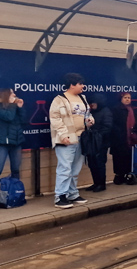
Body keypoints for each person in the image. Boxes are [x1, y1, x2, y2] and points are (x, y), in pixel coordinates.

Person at [49, 73, 94, 209]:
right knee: (65, 167)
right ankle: (60, 196)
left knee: (75, 168)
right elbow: (55, 118)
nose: (83, 86)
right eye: (80, 83)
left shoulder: (83, 98)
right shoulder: (59, 100)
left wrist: (90, 120)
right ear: (71, 84)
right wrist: (63, 135)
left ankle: (72, 193)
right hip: (66, 139)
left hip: (81, 137)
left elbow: (87, 114)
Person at [0, 88, 25, 209]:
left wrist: (20, 107)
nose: (15, 95)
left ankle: (15, 195)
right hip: (2, 142)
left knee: (15, 169)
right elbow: (8, 117)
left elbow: (23, 120)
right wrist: (14, 106)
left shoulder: (14, 107)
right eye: (12, 93)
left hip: (16, 142)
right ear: (6, 95)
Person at [86, 94, 112, 192]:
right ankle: (96, 183)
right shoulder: (91, 112)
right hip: (91, 141)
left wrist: (98, 135)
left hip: (101, 142)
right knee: (92, 163)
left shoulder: (105, 112)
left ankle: (101, 184)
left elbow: (108, 127)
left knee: (99, 163)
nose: (92, 105)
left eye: (94, 103)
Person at [111, 92, 137, 184]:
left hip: (129, 139)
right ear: (121, 99)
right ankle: (119, 176)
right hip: (118, 139)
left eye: (129, 98)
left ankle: (127, 175)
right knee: (119, 158)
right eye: (125, 97)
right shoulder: (115, 109)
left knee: (128, 158)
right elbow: (113, 123)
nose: (127, 99)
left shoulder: (132, 109)